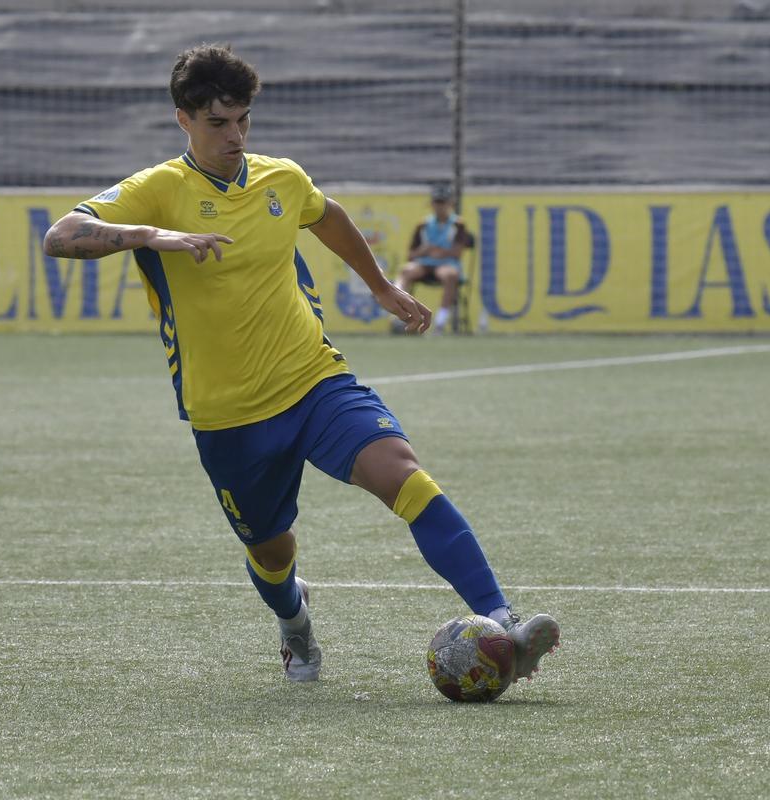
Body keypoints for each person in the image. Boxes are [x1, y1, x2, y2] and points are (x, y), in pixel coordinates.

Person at [43, 44, 558, 685]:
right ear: (184, 121)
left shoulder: (279, 178)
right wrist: (151, 236)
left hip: (313, 379)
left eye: (243, 120)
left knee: (407, 477)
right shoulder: (158, 191)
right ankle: (295, 625)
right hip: (227, 413)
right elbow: (60, 236)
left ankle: (505, 625)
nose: (234, 136)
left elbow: (326, 214)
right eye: (217, 124)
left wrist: (380, 287)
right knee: (271, 551)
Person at [394, 184, 471, 334]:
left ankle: (441, 321)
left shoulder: (458, 224)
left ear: (450, 204)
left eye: (443, 202)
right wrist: (424, 251)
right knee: (406, 271)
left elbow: (457, 252)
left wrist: (439, 252)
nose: (439, 206)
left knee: (450, 275)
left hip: (446, 264)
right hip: (424, 263)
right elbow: (411, 255)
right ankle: (400, 315)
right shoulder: (423, 225)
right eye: (437, 202)